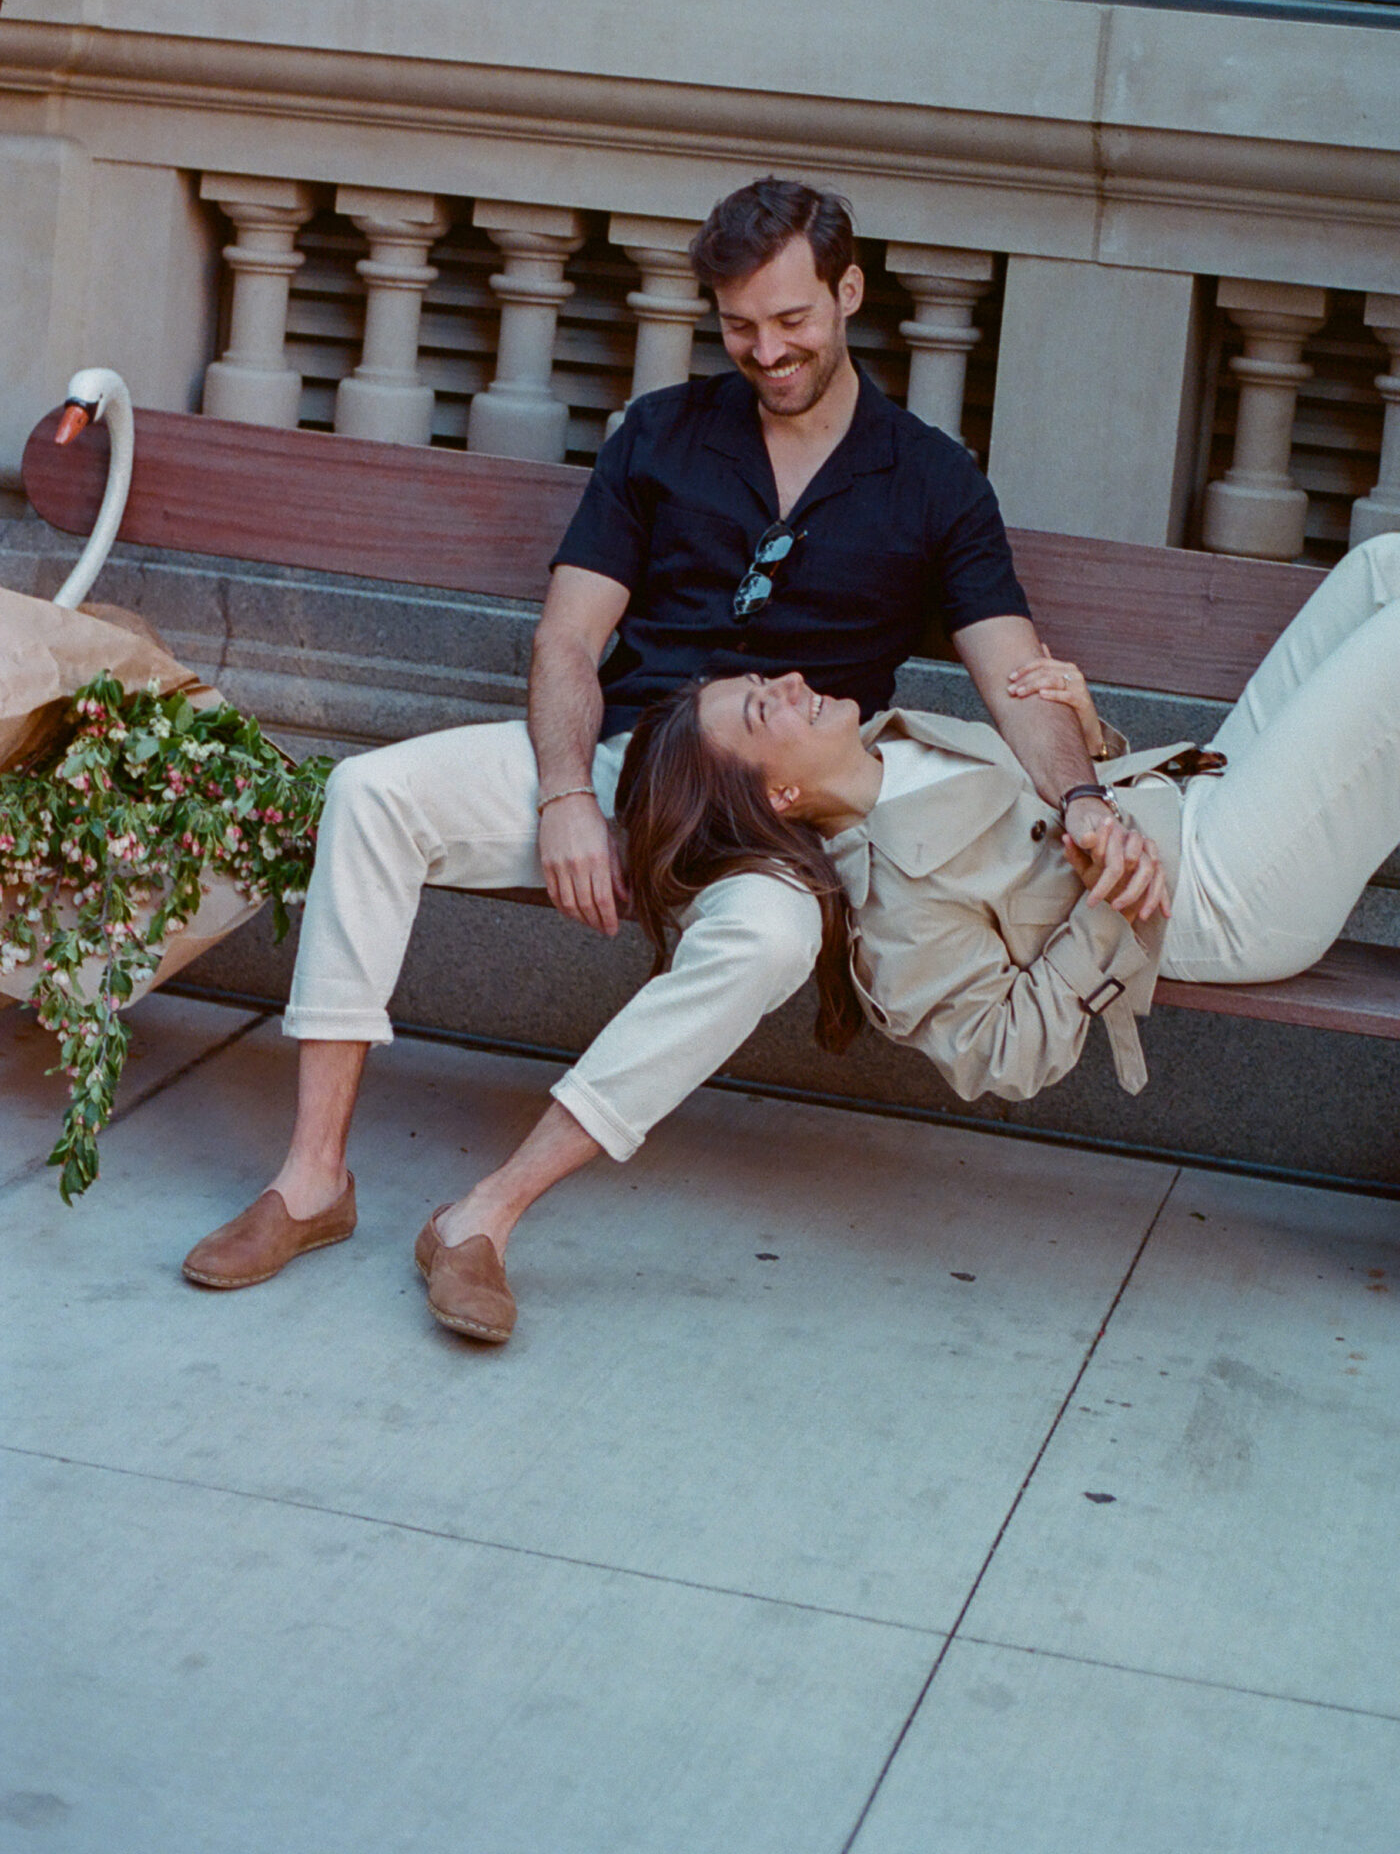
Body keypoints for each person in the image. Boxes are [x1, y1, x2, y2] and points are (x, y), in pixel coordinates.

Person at [181, 177, 1154, 1345]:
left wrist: (1086, 798)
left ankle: (484, 1215)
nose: (767, 349)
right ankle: (311, 1179)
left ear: (849, 294)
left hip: (783, 817)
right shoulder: (664, 432)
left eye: (792, 319)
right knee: (370, 790)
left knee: (777, 937)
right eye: (740, 324)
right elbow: (568, 638)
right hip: (622, 760)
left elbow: (1015, 676)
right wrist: (560, 797)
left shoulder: (933, 479)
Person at [613, 535, 1400, 1112]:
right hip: (1214, 901)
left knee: (1394, 568)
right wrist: (1104, 900)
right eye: (764, 709)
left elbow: (1065, 815)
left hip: (1199, 800)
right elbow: (1003, 1055)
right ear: (779, 798)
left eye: (765, 679)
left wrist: (1090, 736)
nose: (792, 680)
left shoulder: (902, 735)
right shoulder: (889, 911)